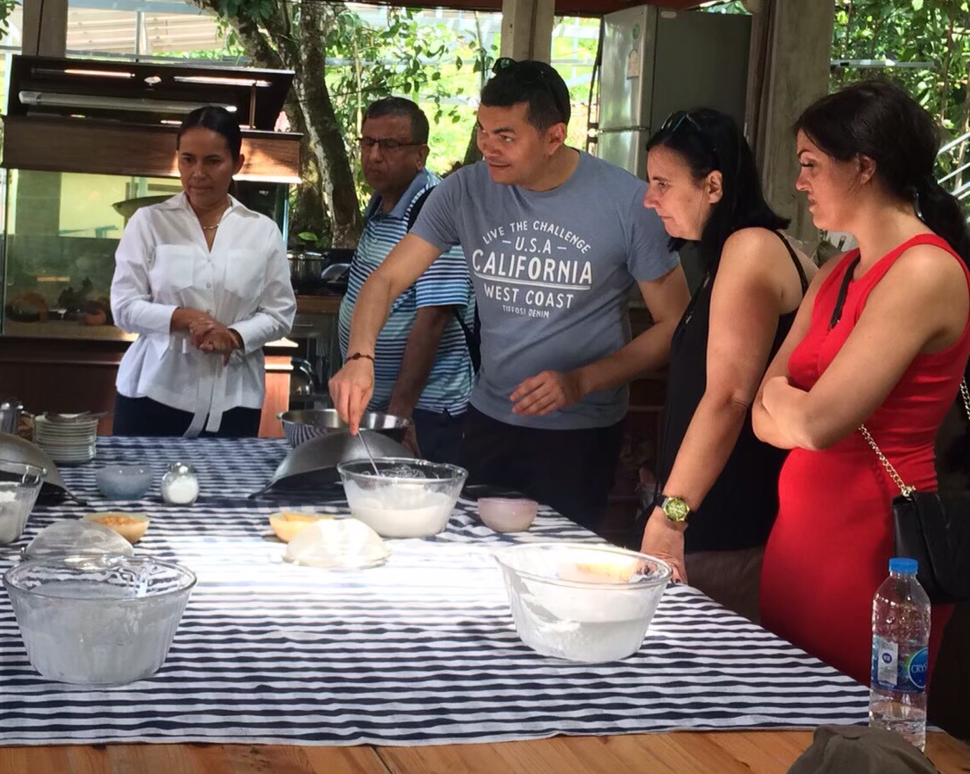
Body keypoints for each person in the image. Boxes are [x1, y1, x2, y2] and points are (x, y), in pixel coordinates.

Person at [332, 59, 689, 530]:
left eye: (506, 136)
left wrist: (582, 381)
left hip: (581, 431)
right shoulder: (465, 191)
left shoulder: (628, 203)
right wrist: (361, 355)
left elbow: (675, 324)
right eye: (483, 131)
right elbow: (385, 281)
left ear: (554, 137)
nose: (488, 148)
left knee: (560, 562)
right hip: (489, 419)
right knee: (471, 551)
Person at [753, 80, 970, 685]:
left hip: (879, 542)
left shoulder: (925, 269)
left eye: (811, 166)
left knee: (861, 724)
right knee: (780, 711)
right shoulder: (837, 269)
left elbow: (818, 425)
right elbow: (763, 416)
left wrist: (784, 402)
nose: (800, 183)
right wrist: (785, 407)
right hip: (799, 531)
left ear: (864, 168)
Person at [638, 109, 815, 622]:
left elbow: (730, 397)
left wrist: (671, 516)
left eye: (663, 184)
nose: (651, 199)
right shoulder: (735, 256)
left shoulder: (751, 247)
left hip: (730, 527)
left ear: (713, 185)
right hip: (716, 519)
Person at [110, 106, 296, 437]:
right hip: (153, 392)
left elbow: (280, 313)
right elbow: (123, 308)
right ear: (177, 160)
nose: (198, 173)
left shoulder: (262, 231)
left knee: (227, 488)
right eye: (188, 159)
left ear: (237, 163)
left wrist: (234, 336)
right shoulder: (149, 222)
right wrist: (185, 318)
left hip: (234, 399)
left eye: (213, 161)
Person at [337, 96, 474, 461]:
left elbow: (432, 320)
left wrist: (397, 418)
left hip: (423, 413)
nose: (374, 155)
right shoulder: (382, 203)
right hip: (383, 407)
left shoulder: (435, 210)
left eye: (390, 145)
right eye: (368, 142)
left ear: (420, 155)